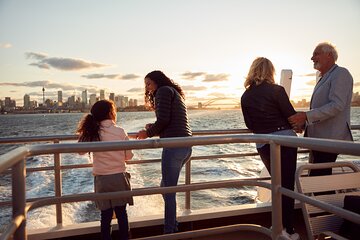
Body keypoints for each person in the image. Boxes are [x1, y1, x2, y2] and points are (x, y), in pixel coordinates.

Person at [241, 57, 300, 239]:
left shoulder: (246, 96)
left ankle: (277, 225)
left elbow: (250, 124)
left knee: (276, 183)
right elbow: (291, 116)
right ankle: (288, 229)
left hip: (264, 143)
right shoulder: (277, 90)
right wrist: (298, 126)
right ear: (270, 71)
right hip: (285, 141)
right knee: (287, 185)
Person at [137, 70, 192, 234]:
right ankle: (173, 225)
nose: (148, 88)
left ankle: (170, 232)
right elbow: (168, 120)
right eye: (145, 85)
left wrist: (147, 133)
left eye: (149, 83)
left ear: (157, 81)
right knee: (165, 186)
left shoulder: (162, 91)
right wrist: (152, 127)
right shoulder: (172, 91)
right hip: (186, 145)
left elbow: (164, 120)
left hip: (174, 146)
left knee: (168, 191)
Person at [288, 42, 353, 177]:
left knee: (318, 176)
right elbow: (320, 108)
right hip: (319, 140)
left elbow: (337, 105)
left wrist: (306, 116)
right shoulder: (324, 77)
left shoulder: (341, 73)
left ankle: (319, 199)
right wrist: (304, 123)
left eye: (316, 54)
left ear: (329, 55)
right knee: (317, 175)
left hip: (329, 139)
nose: (312, 58)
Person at [77, 100, 133, 240]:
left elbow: (80, 151)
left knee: (106, 215)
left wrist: (87, 132)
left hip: (102, 179)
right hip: (119, 178)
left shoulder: (94, 132)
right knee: (121, 213)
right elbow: (129, 156)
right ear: (111, 113)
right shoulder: (120, 132)